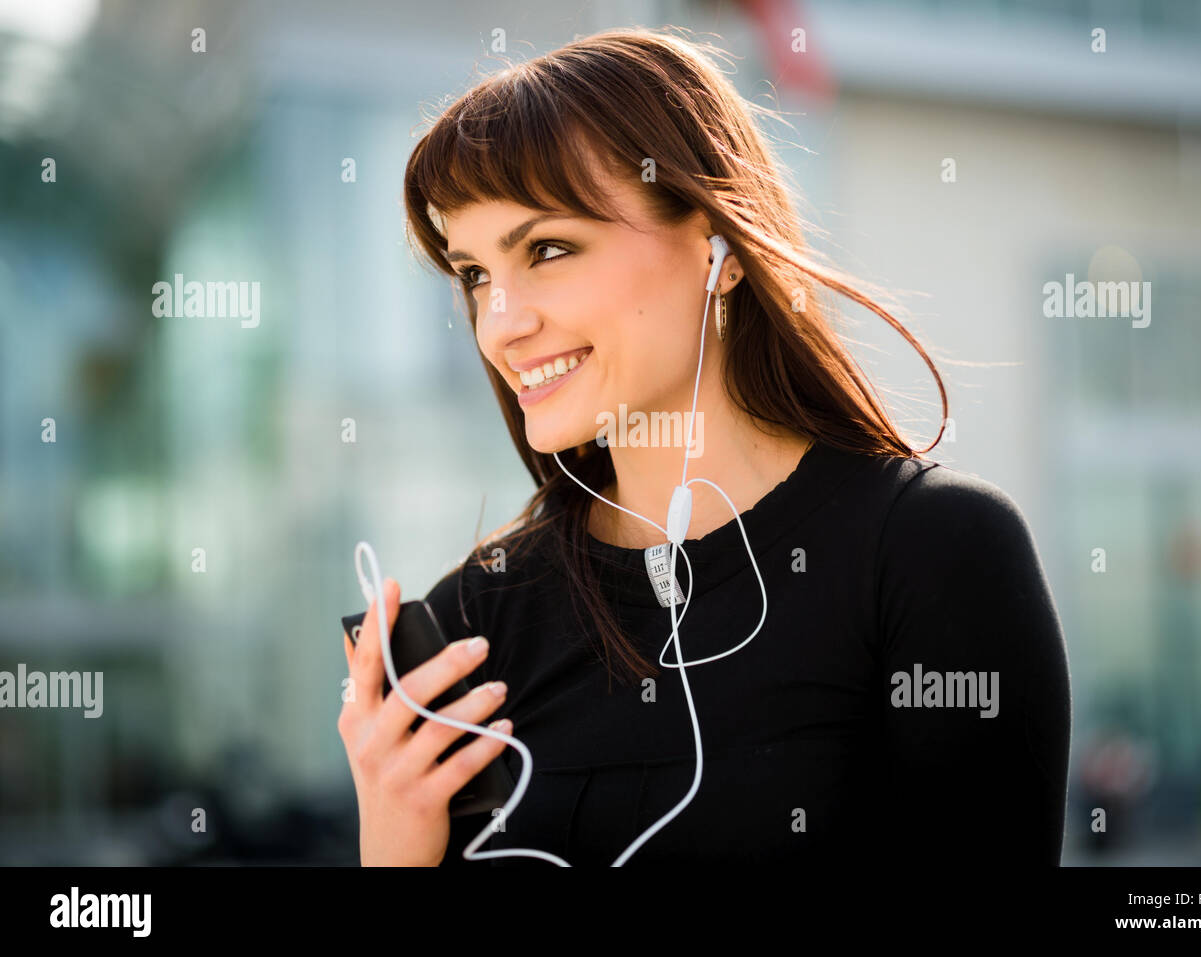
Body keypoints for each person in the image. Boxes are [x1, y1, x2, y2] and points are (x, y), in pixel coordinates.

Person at [337, 27, 1071, 867]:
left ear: (718, 248)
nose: (501, 323)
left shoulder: (932, 554)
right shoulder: (472, 623)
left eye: (547, 249)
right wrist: (392, 852)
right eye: (473, 274)